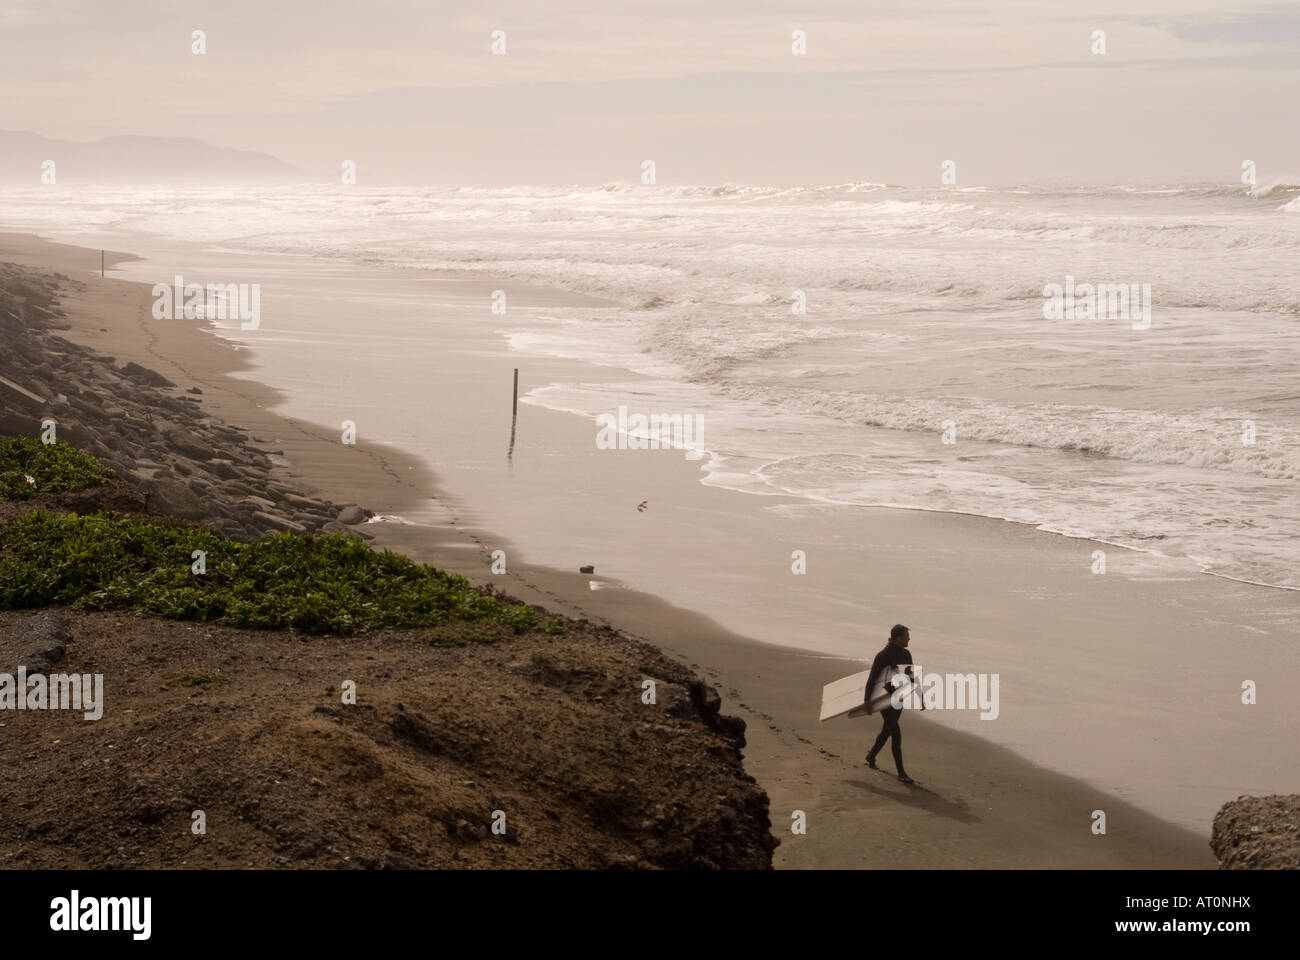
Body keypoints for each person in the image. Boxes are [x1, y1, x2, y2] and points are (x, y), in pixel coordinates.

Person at [864, 623, 919, 784]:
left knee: (887, 730)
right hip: (885, 698)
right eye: (907, 636)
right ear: (899, 638)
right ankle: (901, 773)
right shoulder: (883, 655)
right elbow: (872, 679)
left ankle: (871, 755)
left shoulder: (906, 654)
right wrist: (867, 701)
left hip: (898, 698)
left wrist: (920, 698)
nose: (909, 638)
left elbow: (912, 677)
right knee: (896, 733)